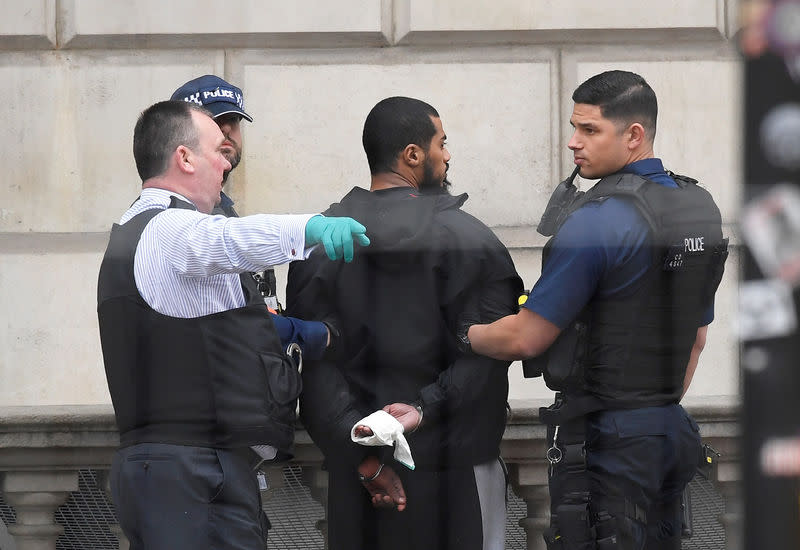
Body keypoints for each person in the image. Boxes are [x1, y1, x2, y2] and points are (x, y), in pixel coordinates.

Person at [461, 71, 729, 550]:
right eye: (573, 127)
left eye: (589, 130)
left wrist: (464, 335)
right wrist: (651, 405)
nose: (572, 143)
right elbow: (697, 336)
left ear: (634, 135)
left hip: (607, 441)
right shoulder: (699, 209)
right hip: (668, 428)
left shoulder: (598, 222)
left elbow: (527, 337)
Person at [97, 100, 370, 550]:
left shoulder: (142, 229)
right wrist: (311, 229)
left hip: (190, 469)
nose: (227, 162)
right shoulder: (167, 227)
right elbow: (224, 239)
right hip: (187, 473)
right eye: (217, 151)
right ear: (184, 158)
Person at [285, 96, 523, 550]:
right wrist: (424, 408)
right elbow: (491, 354)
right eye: (442, 142)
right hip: (455, 469)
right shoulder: (470, 240)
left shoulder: (319, 245)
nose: (448, 155)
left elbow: (314, 365)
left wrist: (364, 460)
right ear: (412, 155)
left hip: (360, 478)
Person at [170, 74, 331, 360]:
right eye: (216, 122)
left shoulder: (224, 210)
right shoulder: (182, 215)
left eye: (234, 121)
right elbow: (233, 320)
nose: (228, 131)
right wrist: (318, 334)